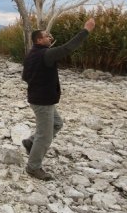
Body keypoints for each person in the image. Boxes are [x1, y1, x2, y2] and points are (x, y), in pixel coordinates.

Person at [22, 18, 96, 181]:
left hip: (40, 99)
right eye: (47, 36)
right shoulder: (45, 54)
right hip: (42, 102)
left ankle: (30, 143)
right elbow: (67, 48)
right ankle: (33, 167)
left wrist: (39, 84)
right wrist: (86, 30)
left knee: (57, 124)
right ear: (39, 40)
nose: (50, 37)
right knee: (45, 136)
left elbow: (25, 77)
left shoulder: (31, 54)